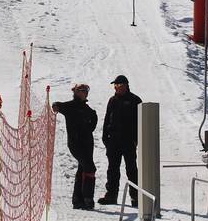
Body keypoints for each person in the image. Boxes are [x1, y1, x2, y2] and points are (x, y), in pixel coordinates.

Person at [98, 74, 142, 207]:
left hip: (128, 141)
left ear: (126, 86)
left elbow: (141, 122)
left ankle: (136, 197)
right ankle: (111, 195)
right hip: (113, 141)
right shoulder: (112, 100)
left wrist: (136, 139)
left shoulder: (135, 100)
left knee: (131, 169)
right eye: (115, 85)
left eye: (119, 85)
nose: (117, 87)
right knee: (112, 169)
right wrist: (105, 137)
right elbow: (107, 119)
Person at [52, 84, 98, 210]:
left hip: (88, 144)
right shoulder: (70, 106)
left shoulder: (89, 110)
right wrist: (55, 106)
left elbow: (93, 123)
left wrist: (88, 127)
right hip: (75, 144)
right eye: (80, 91)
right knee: (90, 168)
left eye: (85, 91)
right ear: (75, 92)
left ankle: (78, 200)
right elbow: (57, 105)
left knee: (82, 169)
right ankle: (88, 199)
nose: (83, 93)